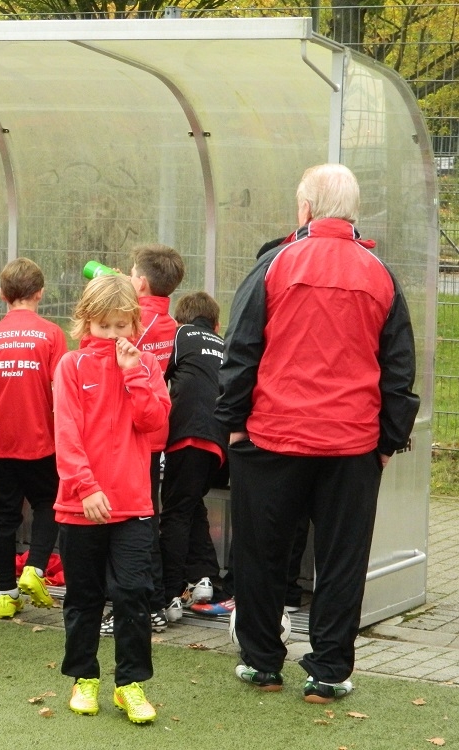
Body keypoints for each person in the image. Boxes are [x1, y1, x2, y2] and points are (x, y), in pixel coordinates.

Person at [217, 163, 419, 702]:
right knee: (341, 560)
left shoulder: (274, 264)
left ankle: (262, 662)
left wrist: (233, 424)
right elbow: (398, 366)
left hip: (272, 436)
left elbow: (241, 349)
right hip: (352, 443)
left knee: (260, 554)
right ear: (354, 212)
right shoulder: (380, 273)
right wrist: (388, 440)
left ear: (305, 208)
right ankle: (328, 671)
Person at [53, 273, 170, 722]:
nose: (113, 335)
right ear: (86, 323)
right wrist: (85, 487)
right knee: (83, 598)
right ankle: (84, 677)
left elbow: (155, 426)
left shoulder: (147, 365)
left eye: (122, 325)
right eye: (104, 326)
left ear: (135, 325)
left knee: (133, 594)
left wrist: (133, 373)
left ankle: (130, 685)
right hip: (80, 505)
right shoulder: (71, 365)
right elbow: (67, 434)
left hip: (134, 506)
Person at [0, 258, 68, 619]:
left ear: (2, 294)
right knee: (49, 503)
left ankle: (5, 594)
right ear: (40, 293)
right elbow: (61, 388)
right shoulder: (51, 334)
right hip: (39, 438)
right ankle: (34, 567)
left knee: (2, 516)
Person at [158, 292, 228, 622]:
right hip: (221, 443)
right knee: (189, 503)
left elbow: (158, 376)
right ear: (216, 324)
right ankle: (203, 578)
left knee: (174, 512)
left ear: (180, 320)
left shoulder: (181, 334)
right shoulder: (223, 344)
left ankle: (168, 594)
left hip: (189, 433)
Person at [129, 244, 186, 632]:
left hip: (134, 434)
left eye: (132, 274)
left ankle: (146, 602)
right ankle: (157, 598)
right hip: (158, 433)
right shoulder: (173, 326)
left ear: (142, 283)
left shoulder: (134, 323)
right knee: (148, 513)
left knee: (137, 519)